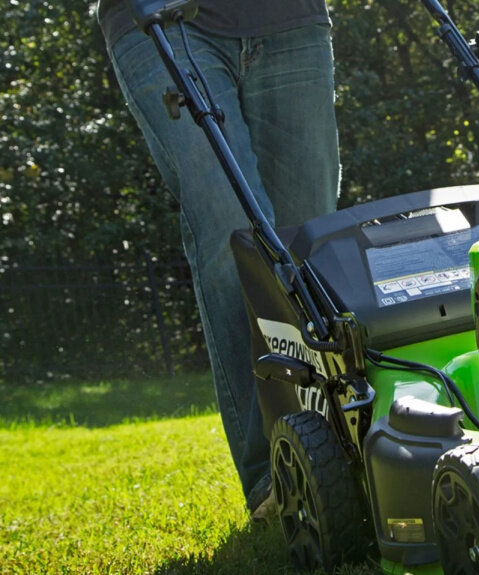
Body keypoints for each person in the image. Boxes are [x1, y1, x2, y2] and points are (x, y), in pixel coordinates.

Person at [95, 0, 341, 517]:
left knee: (308, 241)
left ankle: (336, 446)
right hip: (160, 16)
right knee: (234, 233)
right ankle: (277, 471)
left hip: (289, 19)